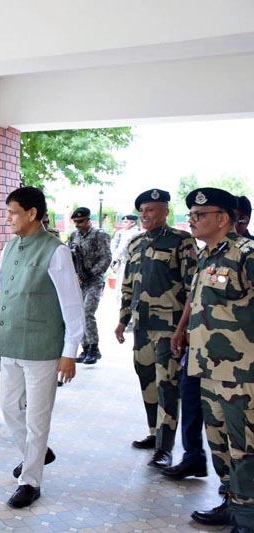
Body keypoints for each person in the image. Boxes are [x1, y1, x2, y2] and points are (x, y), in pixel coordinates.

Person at [0, 186, 84, 509]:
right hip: (11, 344)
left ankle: (31, 481)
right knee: (10, 409)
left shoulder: (56, 252)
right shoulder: (10, 249)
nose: (8, 219)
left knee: (37, 418)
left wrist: (70, 352)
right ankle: (36, 453)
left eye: (13, 213)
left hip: (43, 349)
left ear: (33, 213)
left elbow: (72, 307)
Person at [173, 188, 250, 530]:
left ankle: (247, 521)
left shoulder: (246, 254)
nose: (192, 219)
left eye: (199, 215)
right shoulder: (206, 256)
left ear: (222, 218)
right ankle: (231, 505)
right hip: (207, 369)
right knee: (219, 445)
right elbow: (197, 300)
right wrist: (182, 330)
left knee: (245, 450)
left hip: (242, 376)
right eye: (190, 214)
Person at [113, 189, 197, 473]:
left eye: (152, 209)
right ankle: (154, 432)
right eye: (143, 210)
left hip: (169, 328)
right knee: (147, 380)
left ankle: (165, 447)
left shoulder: (181, 241)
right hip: (143, 327)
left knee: (167, 385)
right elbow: (128, 284)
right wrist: (123, 319)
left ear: (165, 212)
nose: (145, 215)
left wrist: (185, 329)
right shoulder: (136, 242)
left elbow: (192, 288)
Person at [68, 207, 111, 364]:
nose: (77, 224)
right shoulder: (74, 236)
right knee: (78, 314)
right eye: (75, 222)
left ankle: (94, 348)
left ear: (88, 220)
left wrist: (91, 273)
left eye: (80, 221)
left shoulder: (99, 235)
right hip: (78, 281)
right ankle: (85, 348)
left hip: (94, 280)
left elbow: (106, 258)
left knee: (87, 312)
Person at [110, 214, 141, 278]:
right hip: (123, 260)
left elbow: (123, 247)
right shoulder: (122, 232)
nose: (123, 224)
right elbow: (114, 244)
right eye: (123, 221)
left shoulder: (133, 232)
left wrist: (114, 259)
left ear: (133, 223)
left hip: (129, 261)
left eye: (126, 222)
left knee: (124, 282)